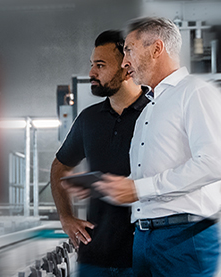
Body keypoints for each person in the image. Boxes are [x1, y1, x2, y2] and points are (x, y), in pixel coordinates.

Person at [93, 17, 221, 276]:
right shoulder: (149, 110)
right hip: (145, 236)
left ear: (157, 49)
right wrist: (112, 188)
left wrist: (139, 188)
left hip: (183, 237)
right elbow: (147, 176)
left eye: (129, 50)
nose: (125, 62)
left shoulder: (194, 93)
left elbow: (212, 163)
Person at [50, 30, 149, 277]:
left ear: (127, 68)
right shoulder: (89, 120)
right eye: (92, 65)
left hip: (143, 258)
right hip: (95, 258)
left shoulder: (155, 113)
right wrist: (66, 218)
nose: (92, 73)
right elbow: (59, 167)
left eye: (100, 65)